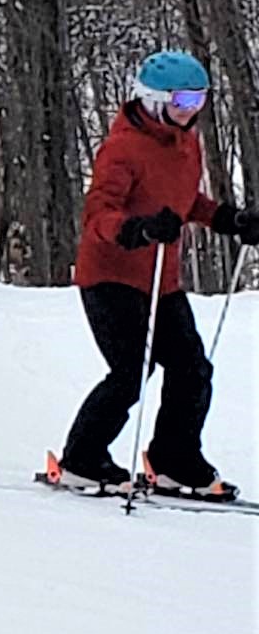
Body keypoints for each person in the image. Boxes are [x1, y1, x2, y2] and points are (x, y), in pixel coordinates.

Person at [55, 51, 259, 497]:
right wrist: (138, 229)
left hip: (160, 279)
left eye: (200, 100)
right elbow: (98, 217)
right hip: (110, 275)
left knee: (192, 368)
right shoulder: (122, 148)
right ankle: (82, 460)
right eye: (183, 100)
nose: (191, 110)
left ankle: (175, 461)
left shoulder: (186, 142)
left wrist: (229, 219)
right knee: (131, 372)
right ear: (153, 99)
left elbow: (187, 201)